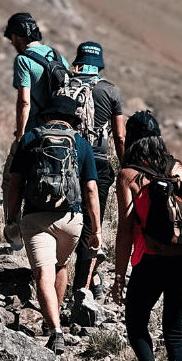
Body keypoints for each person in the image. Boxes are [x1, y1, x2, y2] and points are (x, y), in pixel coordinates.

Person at [112, 110, 182, 361]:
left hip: (153, 258)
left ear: (132, 141)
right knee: (175, 333)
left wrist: (119, 275)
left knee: (136, 322)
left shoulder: (129, 175)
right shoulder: (181, 169)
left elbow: (125, 231)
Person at [5, 95, 100, 354]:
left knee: (42, 275)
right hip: (71, 220)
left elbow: (15, 184)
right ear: (72, 120)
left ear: (47, 116)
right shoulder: (81, 143)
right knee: (61, 265)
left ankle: (55, 329)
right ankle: (52, 323)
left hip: (35, 218)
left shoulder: (30, 138)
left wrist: (11, 217)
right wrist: (97, 229)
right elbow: (91, 189)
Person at [68, 42, 125, 301]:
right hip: (99, 163)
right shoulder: (110, 90)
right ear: (100, 65)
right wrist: (123, 166)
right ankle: (81, 289)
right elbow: (121, 136)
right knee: (92, 225)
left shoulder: (66, 86)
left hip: (67, 159)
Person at [1, 12, 69, 216]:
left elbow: (24, 101)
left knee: (11, 178)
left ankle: (13, 226)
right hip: (61, 130)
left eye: (11, 37)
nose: (11, 42)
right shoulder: (58, 56)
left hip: (34, 130)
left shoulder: (23, 60)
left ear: (17, 35)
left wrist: (20, 136)